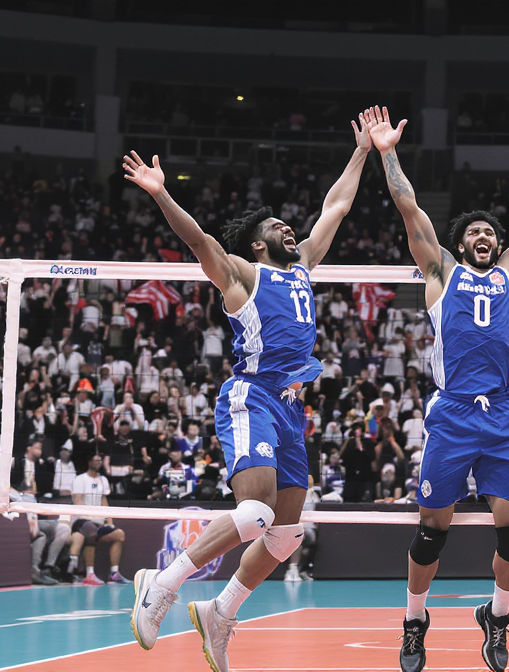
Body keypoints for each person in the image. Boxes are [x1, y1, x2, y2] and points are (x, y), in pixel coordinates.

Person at [124, 106, 374, 672]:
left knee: (285, 536)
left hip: (290, 407)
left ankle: (221, 611)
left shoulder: (304, 264)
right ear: (257, 245)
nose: (288, 228)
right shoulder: (241, 274)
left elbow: (335, 206)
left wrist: (361, 152)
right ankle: (162, 583)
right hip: (251, 396)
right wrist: (162, 194)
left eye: (288, 225)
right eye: (275, 227)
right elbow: (201, 241)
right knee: (257, 511)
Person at [372, 101, 509, 672]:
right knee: (432, 529)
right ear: (462, 245)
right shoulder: (441, 274)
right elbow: (409, 209)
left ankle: (498, 618)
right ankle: (414, 622)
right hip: (453, 414)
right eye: (475, 233)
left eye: (491, 232)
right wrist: (389, 155)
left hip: (501, 414)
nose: (484, 236)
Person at [69, 455, 127, 586]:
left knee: (119, 534)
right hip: (82, 520)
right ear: (89, 462)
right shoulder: (80, 479)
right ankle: (89, 575)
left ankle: (114, 574)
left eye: (100, 460)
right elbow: (77, 500)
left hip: (99, 523)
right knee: (91, 531)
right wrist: (90, 516)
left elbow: (104, 501)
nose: (98, 462)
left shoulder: (103, 480)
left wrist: (109, 522)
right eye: (95, 460)